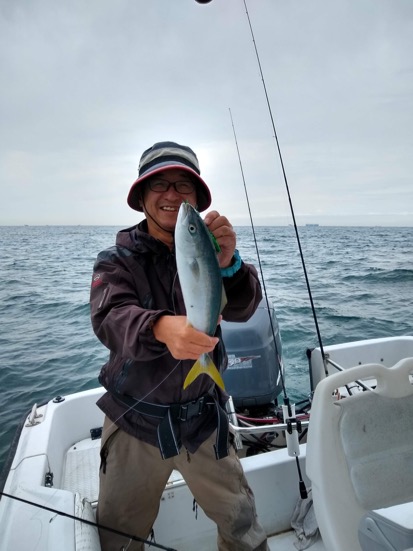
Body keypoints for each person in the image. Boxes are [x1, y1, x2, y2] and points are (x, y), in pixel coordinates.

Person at [90, 141, 268, 550]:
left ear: (197, 197)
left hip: (204, 421)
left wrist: (230, 265)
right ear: (141, 197)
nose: (171, 194)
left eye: (183, 185)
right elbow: (109, 319)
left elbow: (243, 308)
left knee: (242, 526)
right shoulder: (116, 260)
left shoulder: (211, 251)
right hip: (135, 421)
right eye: (159, 184)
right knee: (119, 537)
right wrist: (159, 327)